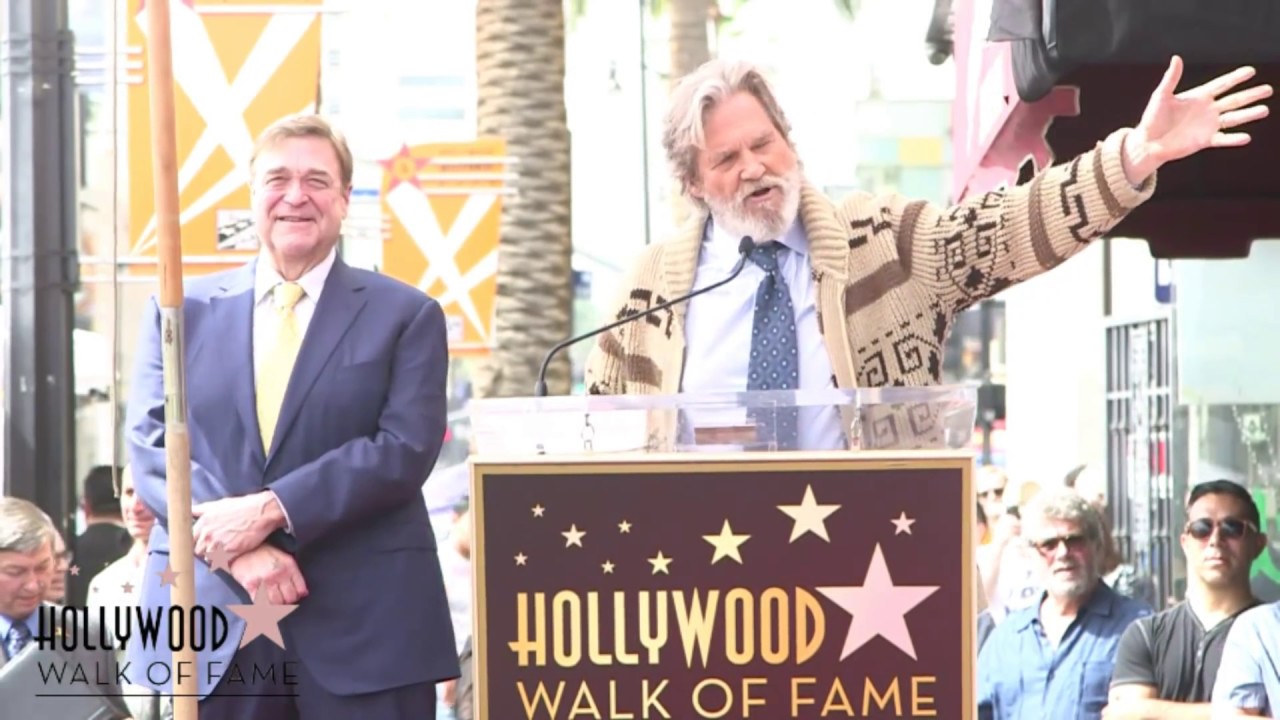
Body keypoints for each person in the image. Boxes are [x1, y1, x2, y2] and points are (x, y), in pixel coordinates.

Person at [583, 56, 1271, 450]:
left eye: (764, 143)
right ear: (694, 184)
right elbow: (591, 447)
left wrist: (1131, 157)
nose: (755, 167)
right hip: (703, 595)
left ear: (789, 140)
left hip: (869, 576)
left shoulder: (884, 239)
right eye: (727, 158)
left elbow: (1006, 227)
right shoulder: (649, 295)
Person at [125, 114, 458, 719]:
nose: (295, 196)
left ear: (344, 199)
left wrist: (272, 509)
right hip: (211, 619)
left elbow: (402, 449)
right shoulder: (179, 311)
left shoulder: (406, 315)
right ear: (252, 197)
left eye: (316, 180)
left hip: (364, 629)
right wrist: (232, 549)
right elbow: (153, 442)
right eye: (277, 178)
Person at [977, 489, 1151, 720]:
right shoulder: (1006, 639)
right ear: (1031, 555)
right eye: (1049, 544)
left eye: (1074, 541)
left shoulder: (1138, 627)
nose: (1063, 553)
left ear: (1097, 546)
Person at [1105, 480, 1265, 717]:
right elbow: (1128, 715)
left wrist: (1150, 709)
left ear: (1258, 544)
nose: (1215, 539)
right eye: (1202, 528)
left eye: (1232, 528)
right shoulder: (1146, 634)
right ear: (1185, 542)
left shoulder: (1270, 633)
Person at [0, 497, 130, 717]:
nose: (33, 585)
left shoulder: (86, 633)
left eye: (43, 567)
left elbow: (112, 712)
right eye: (15, 572)